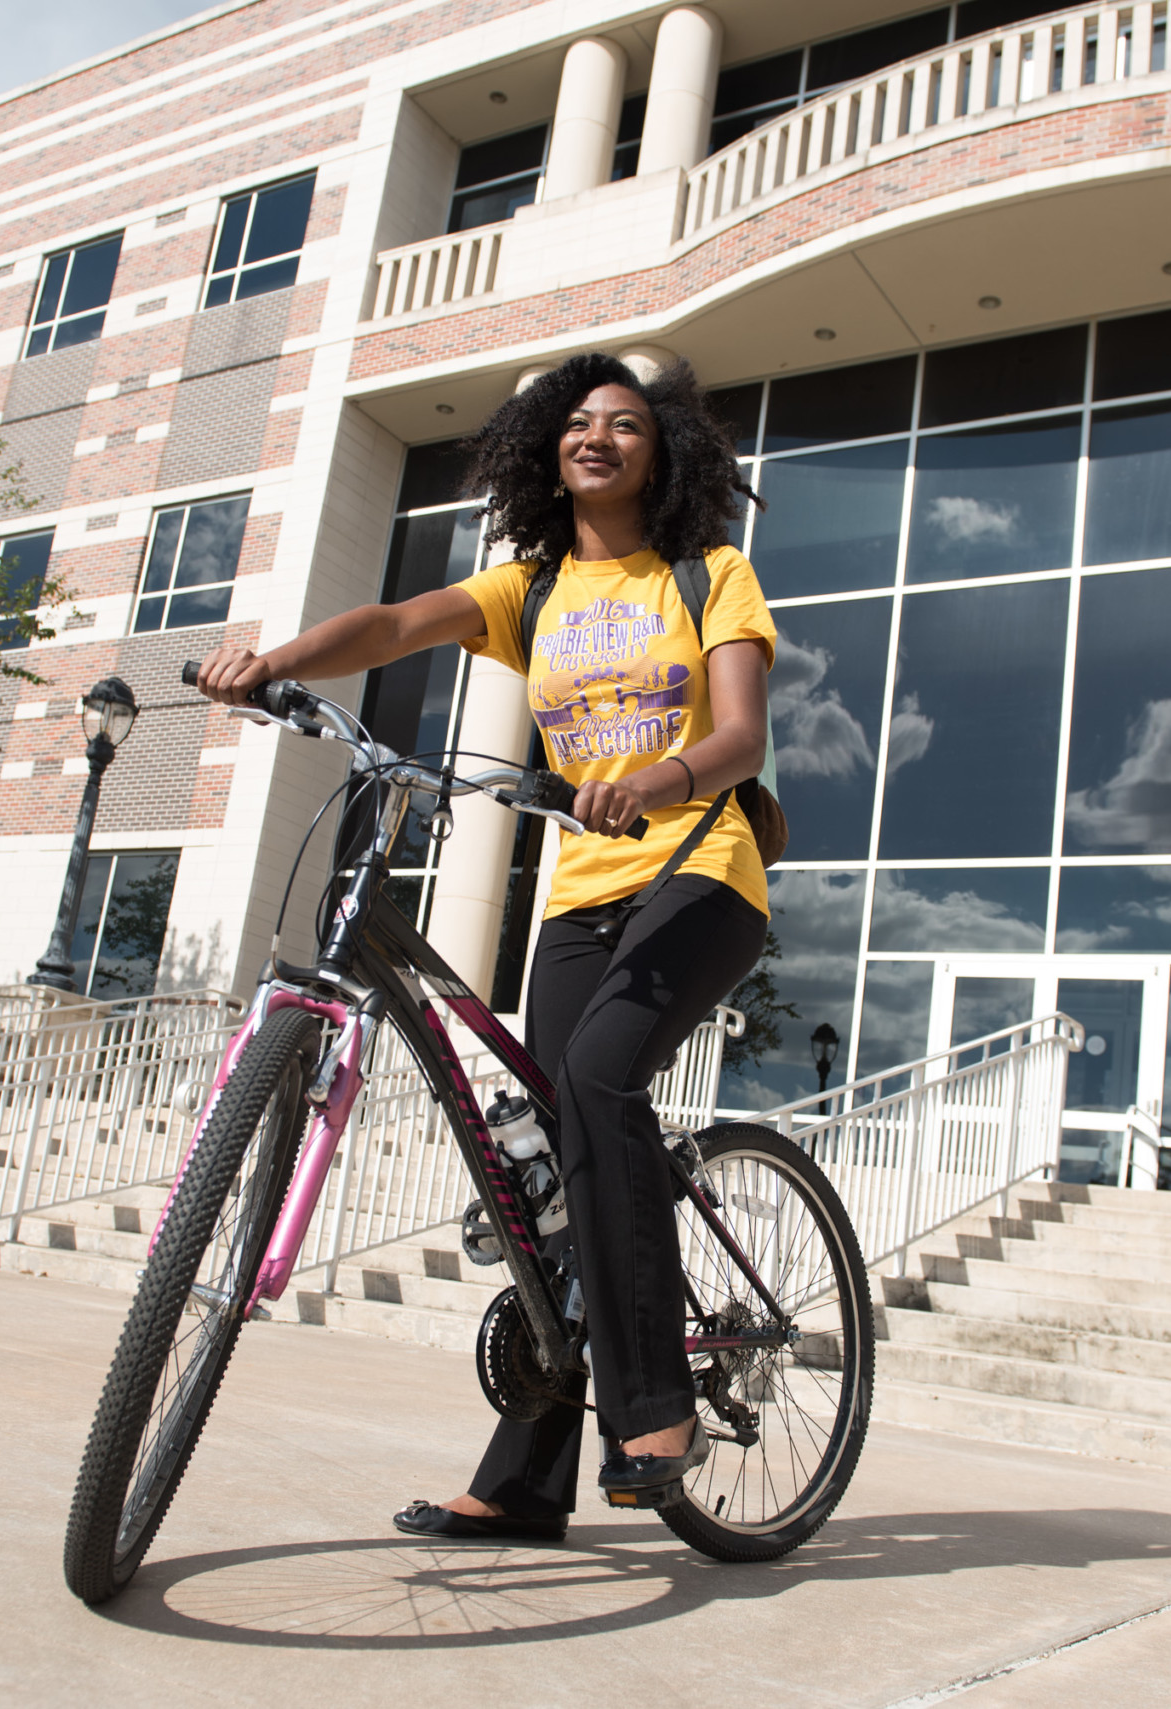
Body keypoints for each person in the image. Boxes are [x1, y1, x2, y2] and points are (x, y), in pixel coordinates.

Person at [191, 352, 776, 1544]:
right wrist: (275, 665)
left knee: (600, 1080)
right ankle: (524, 1482)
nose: (596, 436)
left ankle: (656, 1403)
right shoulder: (534, 586)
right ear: (544, 453)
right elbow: (400, 621)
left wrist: (657, 778)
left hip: (701, 874)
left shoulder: (709, 571)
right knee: (557, 1163)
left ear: (660, 451)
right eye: (576, 424)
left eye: (623, 424)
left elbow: (740, 736)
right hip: (582, 895)